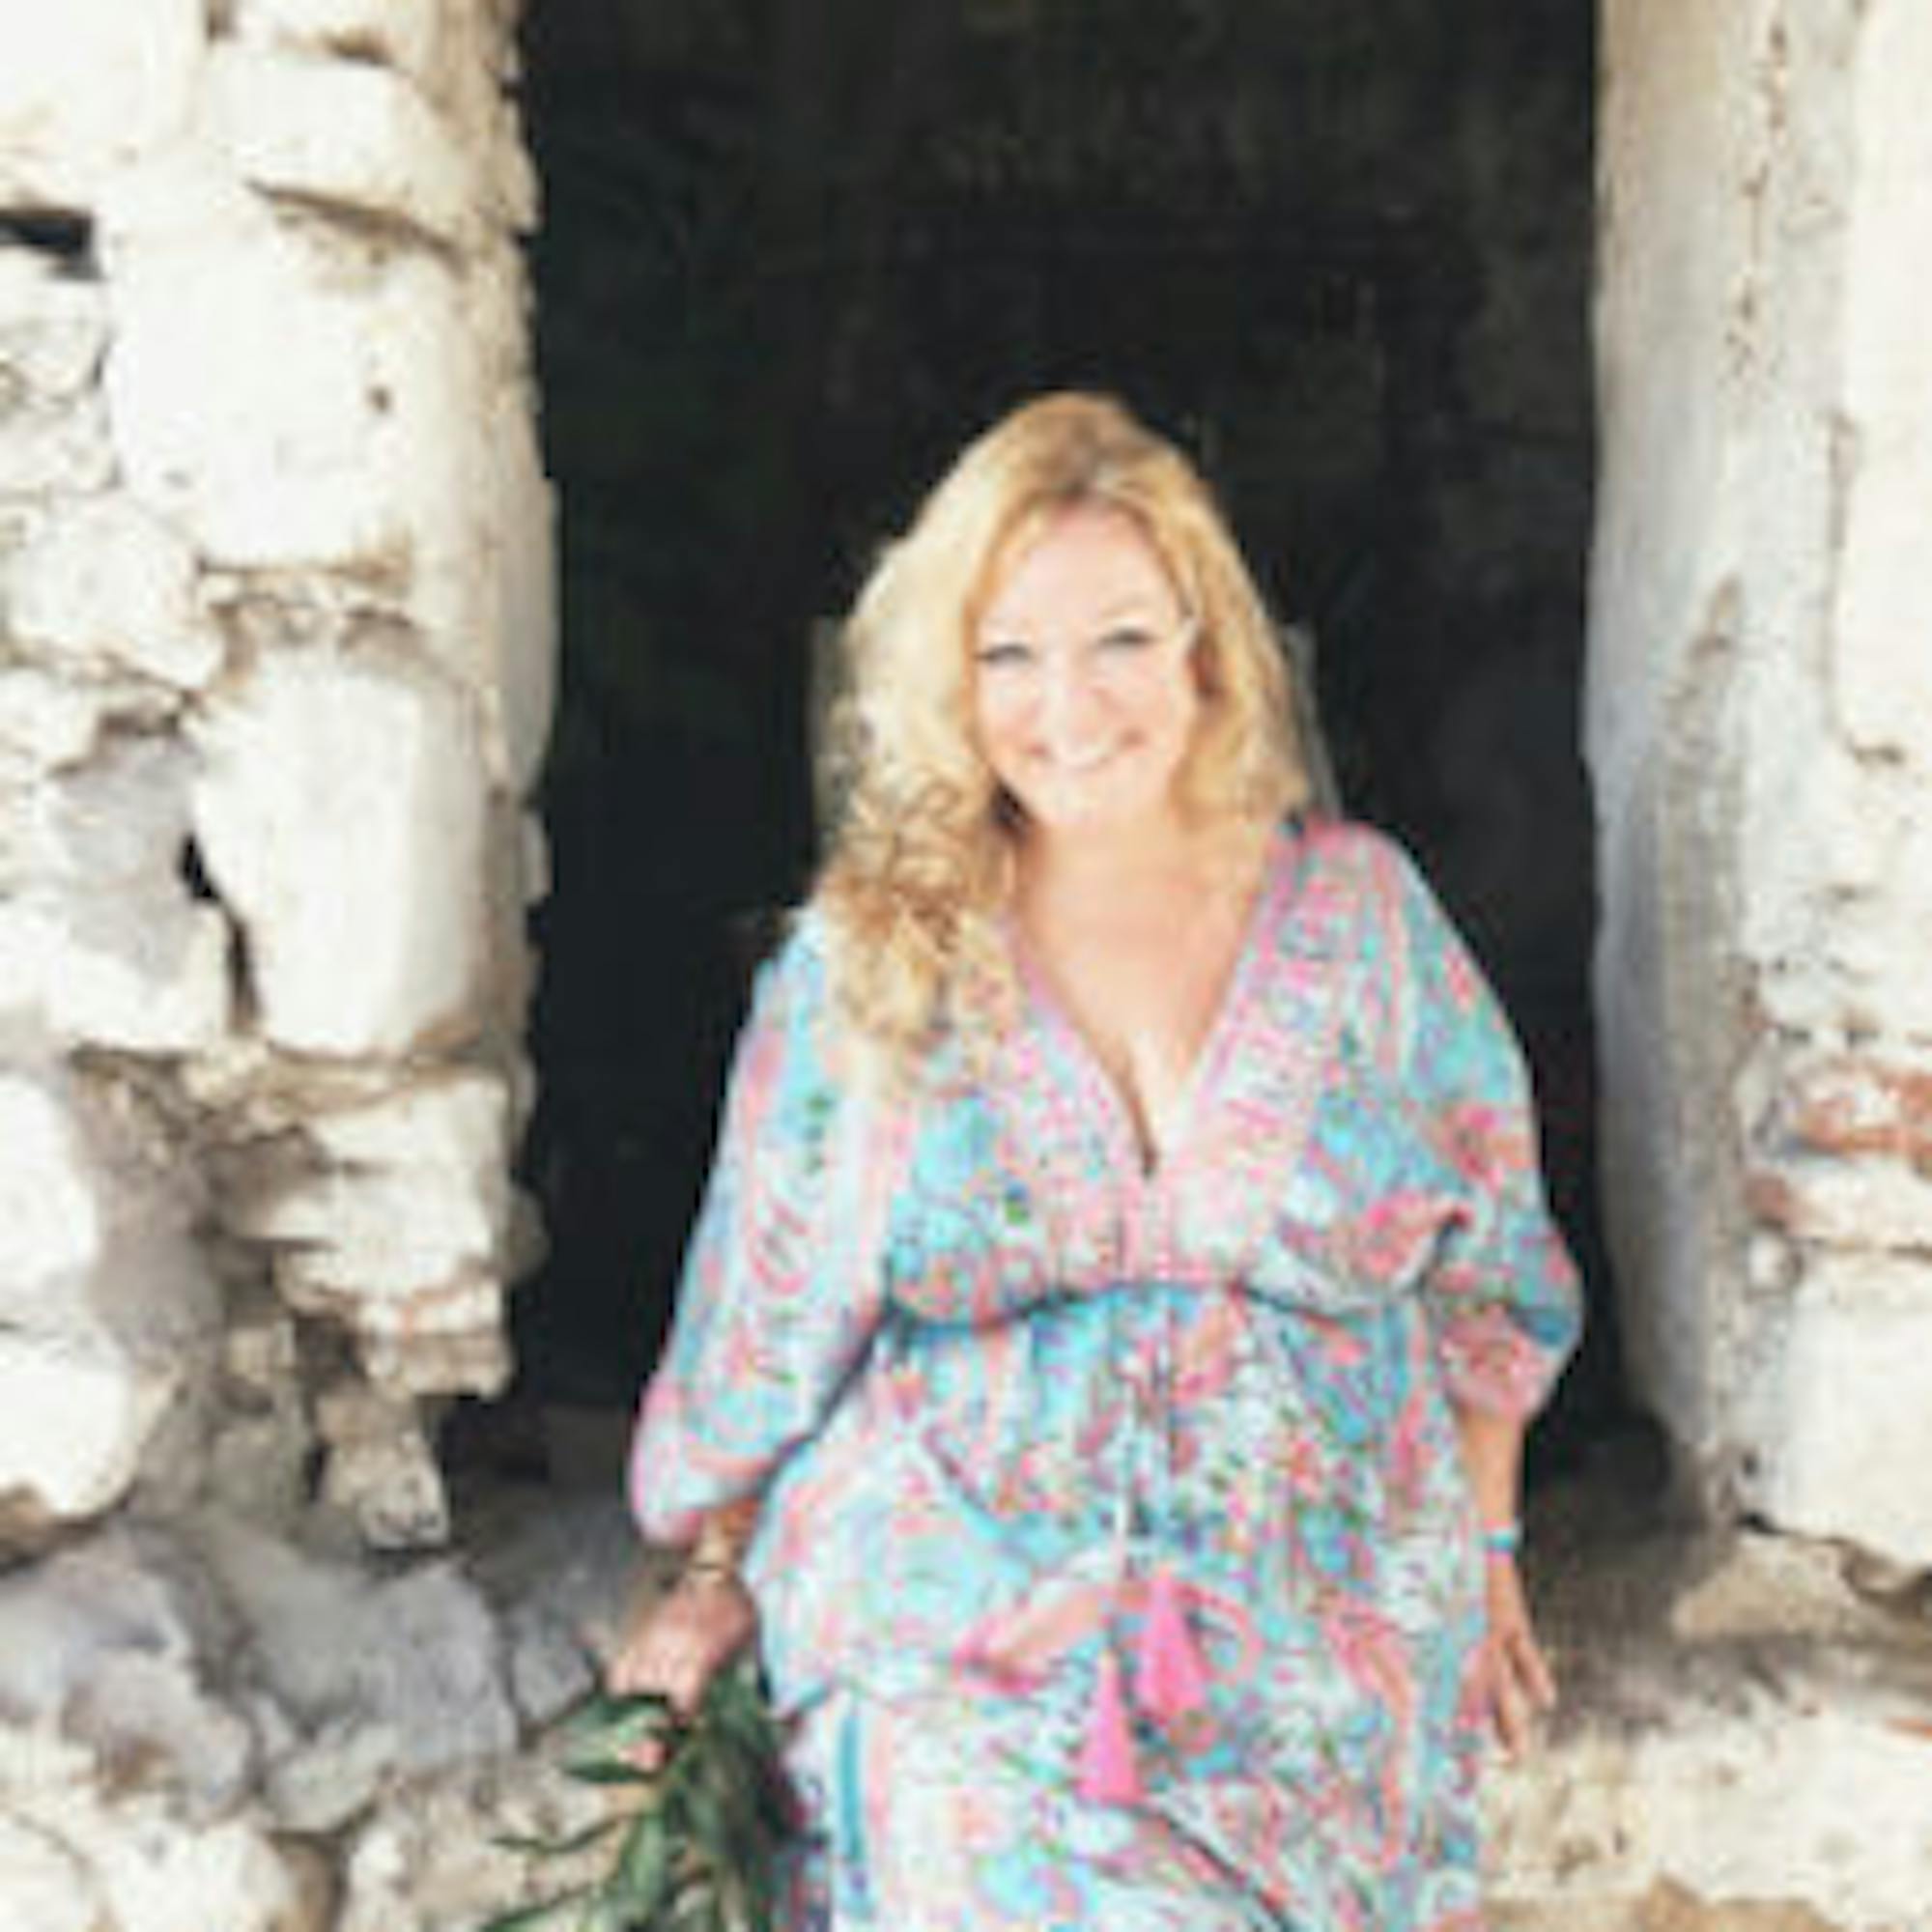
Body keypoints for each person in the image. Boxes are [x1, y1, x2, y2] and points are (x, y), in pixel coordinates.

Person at [611, 391, 1582, 1930]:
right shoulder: (872, 957)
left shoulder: (1365, 919)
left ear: (1208, 649)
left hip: (1321, 1598)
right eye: (1009, 656)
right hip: (968, 1610)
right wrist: (709, 1570)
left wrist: (1489, 1548)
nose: (1069, 705)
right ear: (950, 682)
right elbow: (765, 1311)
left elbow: (1495, 1279)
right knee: (994, 1837)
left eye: (1121, 640)